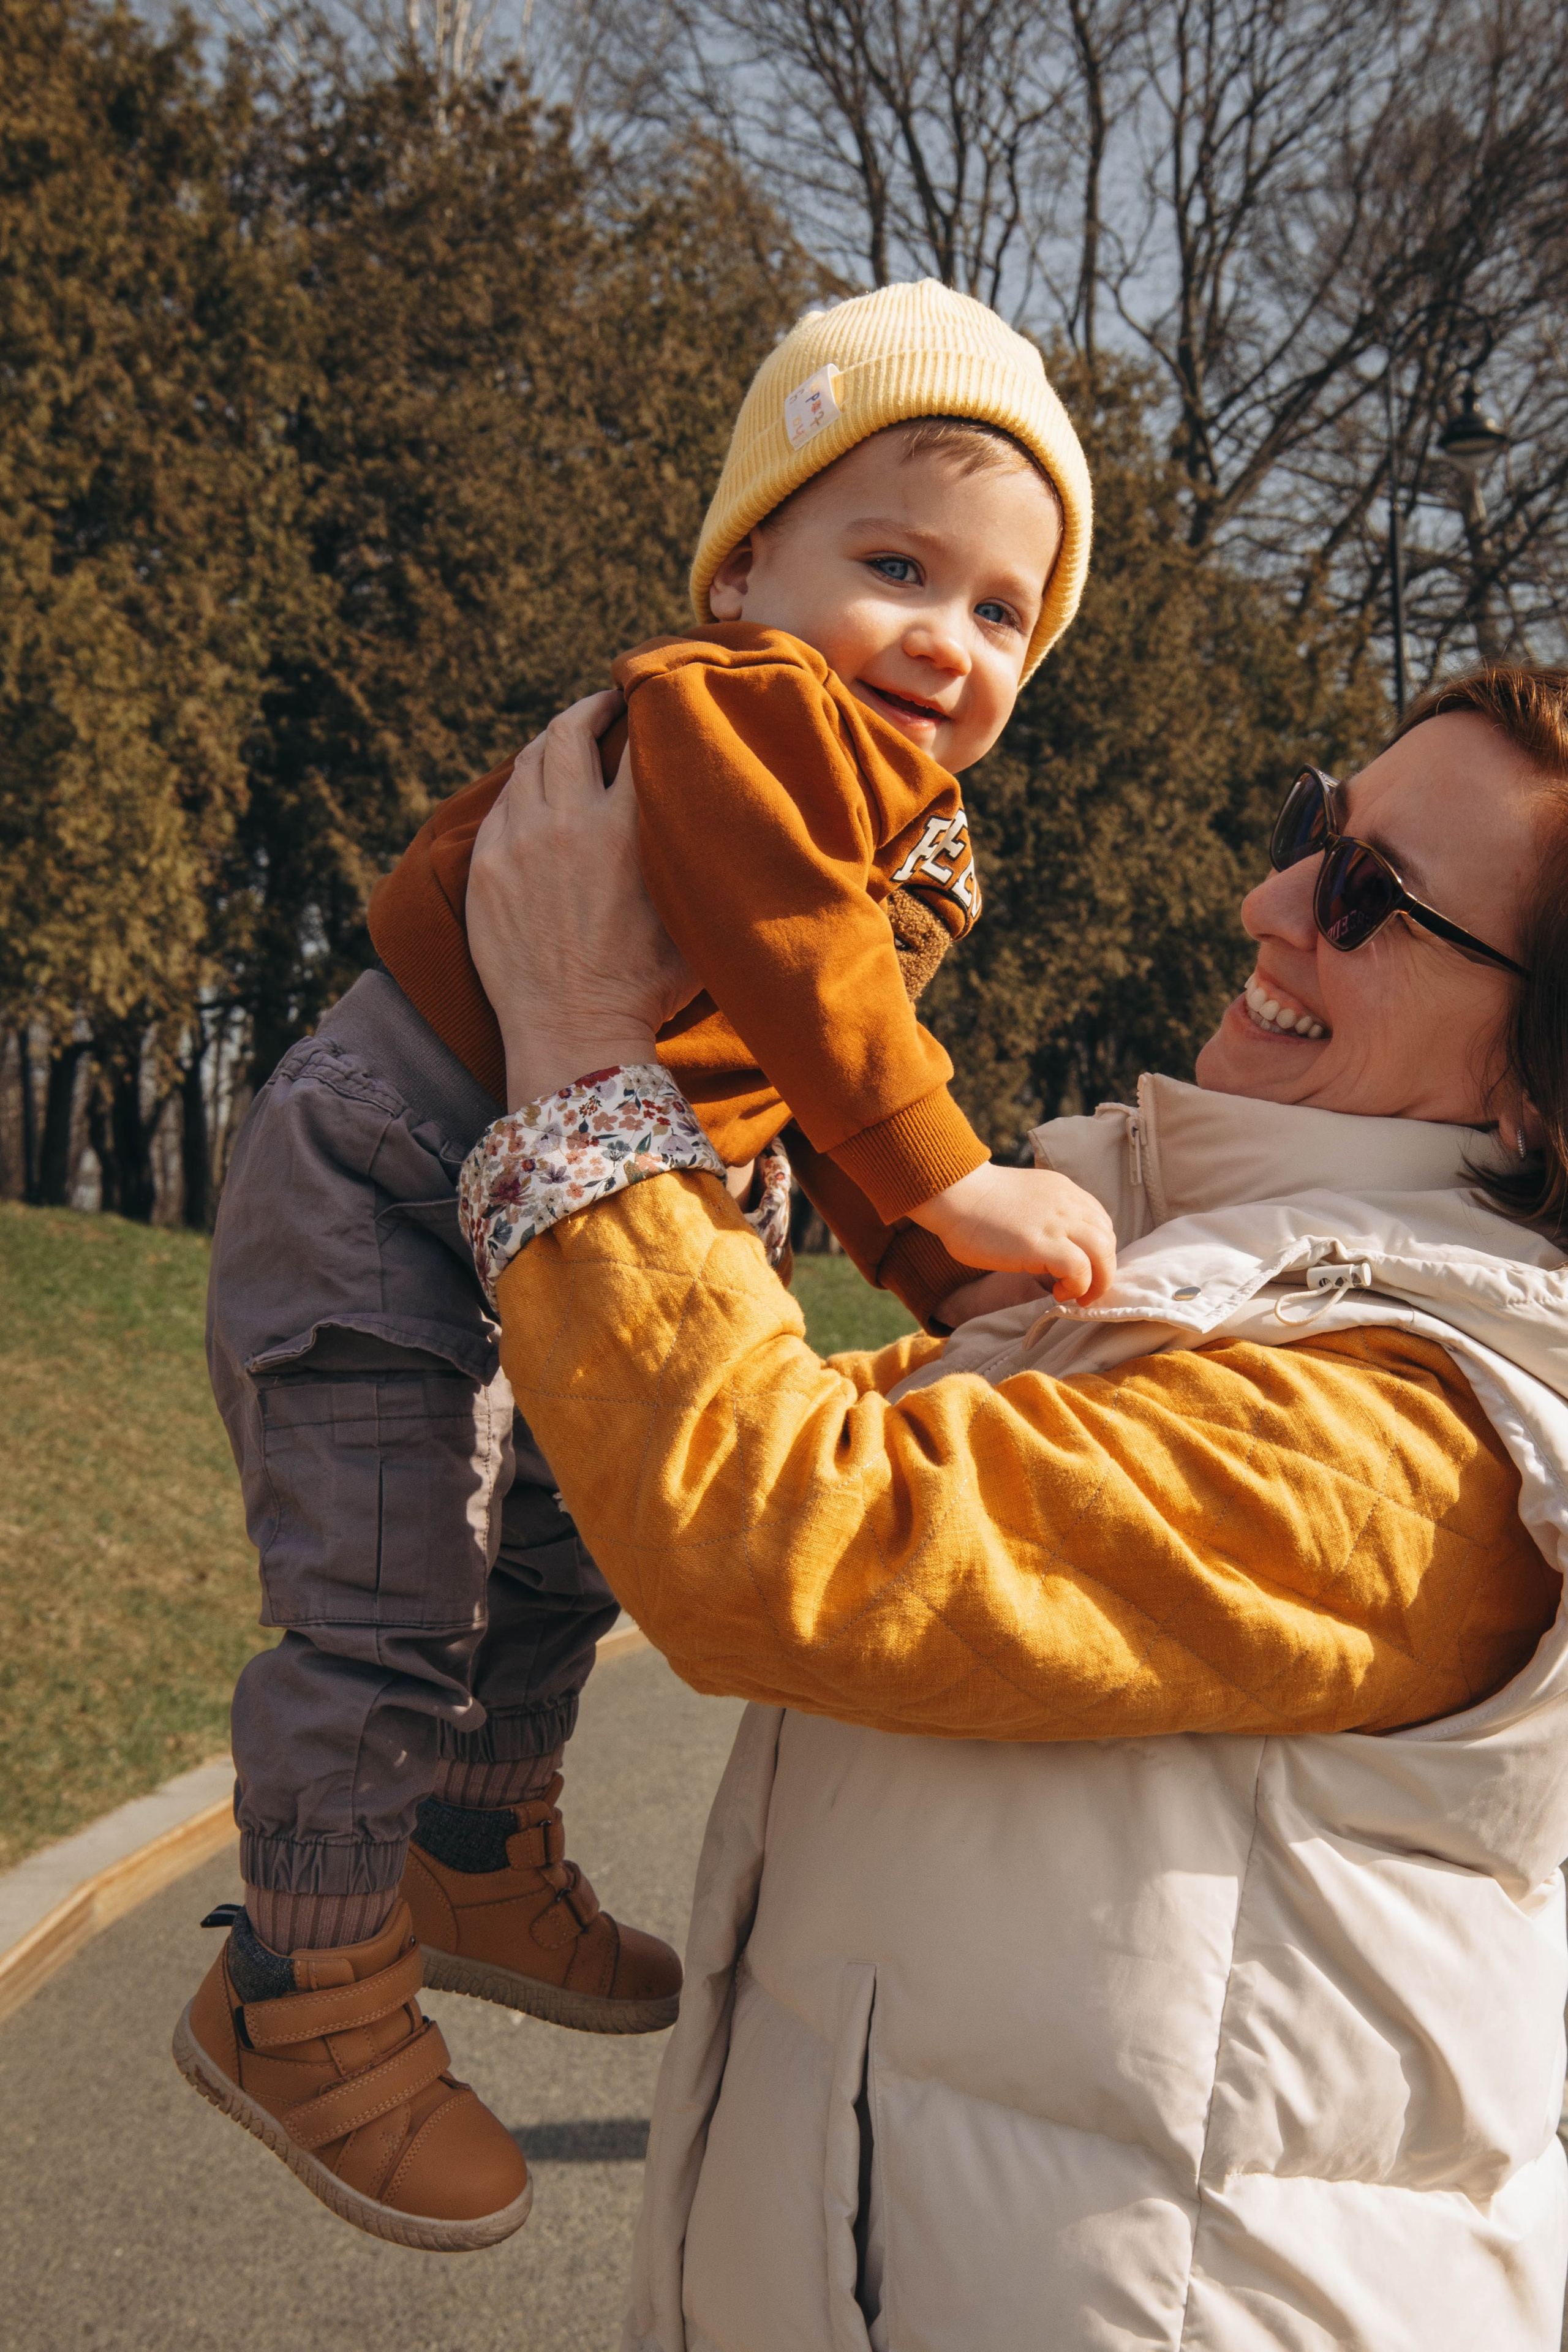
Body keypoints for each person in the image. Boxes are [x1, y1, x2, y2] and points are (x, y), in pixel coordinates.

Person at [457, 663, 1568, 2346]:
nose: (1271, 904)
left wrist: (579, 1041)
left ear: (1540, 1086)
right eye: (1311, 831)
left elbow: (792, 1535)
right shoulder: (1200, 1305)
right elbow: (771, 1420)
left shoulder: (1423, 1429)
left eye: (1369, 898)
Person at [176, 278, 1109, 2250]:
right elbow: (809, 984)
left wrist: (937, 1268)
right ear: (746, 568)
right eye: (893, 566)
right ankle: (298, 1996)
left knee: (567, 1544)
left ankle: (472, 1848)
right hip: (390, 1165)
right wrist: (952, 1177)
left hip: (566, 1180)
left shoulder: (899, 820)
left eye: (1001, 613)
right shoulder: (737, 710)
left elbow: (802, 1073)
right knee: (387, 1596)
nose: (944, 640)